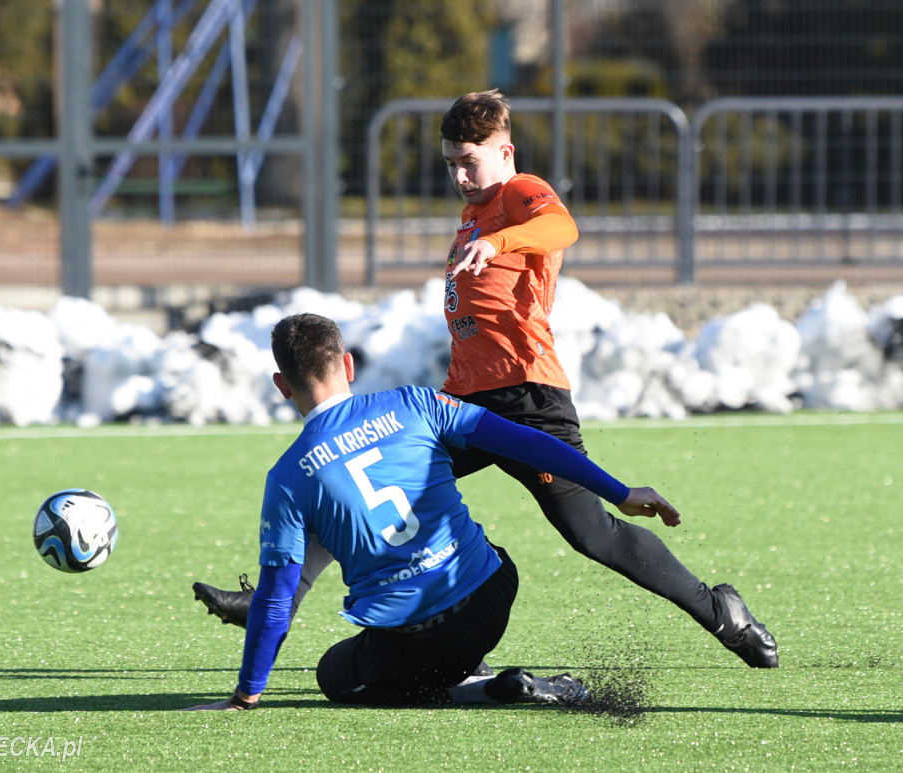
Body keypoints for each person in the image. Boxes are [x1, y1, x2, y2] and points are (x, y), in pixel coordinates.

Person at [198, 89, 777, 670]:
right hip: (464, 402)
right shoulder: (473, 214)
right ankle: (274, 602)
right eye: (451, 163)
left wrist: (498, 241)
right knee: (351, 483)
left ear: (506, 153)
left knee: (592, 535)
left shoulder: (520, 193)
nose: (460, 175)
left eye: (469, 161)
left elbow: (562, 226)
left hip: (528, 397)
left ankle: (721, 611)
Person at [184, 313, 683, 710]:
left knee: (334, 675)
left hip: (420, 642)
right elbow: (531, 442)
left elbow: (273, 603)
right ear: (349, 365)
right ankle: (476, 672)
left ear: (281, 384)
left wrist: (245, 697)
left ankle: (483, 689)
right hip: (493, 593)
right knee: (471, 551)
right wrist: (618, 491)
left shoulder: (288, 478)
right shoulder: (417, 403)